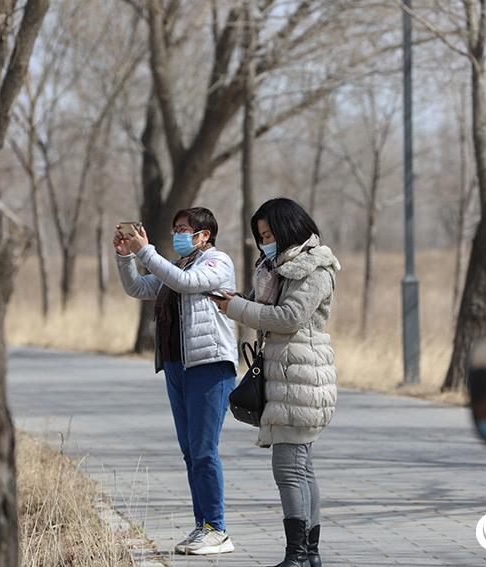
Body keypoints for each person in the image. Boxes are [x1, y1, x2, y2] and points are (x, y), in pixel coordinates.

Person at [210, 198, 340, 567]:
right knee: (300, 468)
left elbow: (288, 317)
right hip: (287, 375)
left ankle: (297, 555)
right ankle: (309, 555)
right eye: (261, 236)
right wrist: (233, 300)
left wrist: (236, 308)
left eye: (269, 234)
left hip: (302, 377)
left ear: (287, 230)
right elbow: (262, 308)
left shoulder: (316, 268)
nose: (265, 242)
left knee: (288, 469)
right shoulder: (277, 270)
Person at [113, 207, 237, 556]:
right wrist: (125, 257)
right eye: (175, 229)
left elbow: (187, 285)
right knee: (190, 453)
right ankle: (203, 527)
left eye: (185, 229)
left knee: (204, 451)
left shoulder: (217, 262)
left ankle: (217, 528)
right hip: (176, 366)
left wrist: (144, 251)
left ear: (205, 235)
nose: (178, 234)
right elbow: (138, 287)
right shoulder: (178, 266)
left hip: (209, 365)